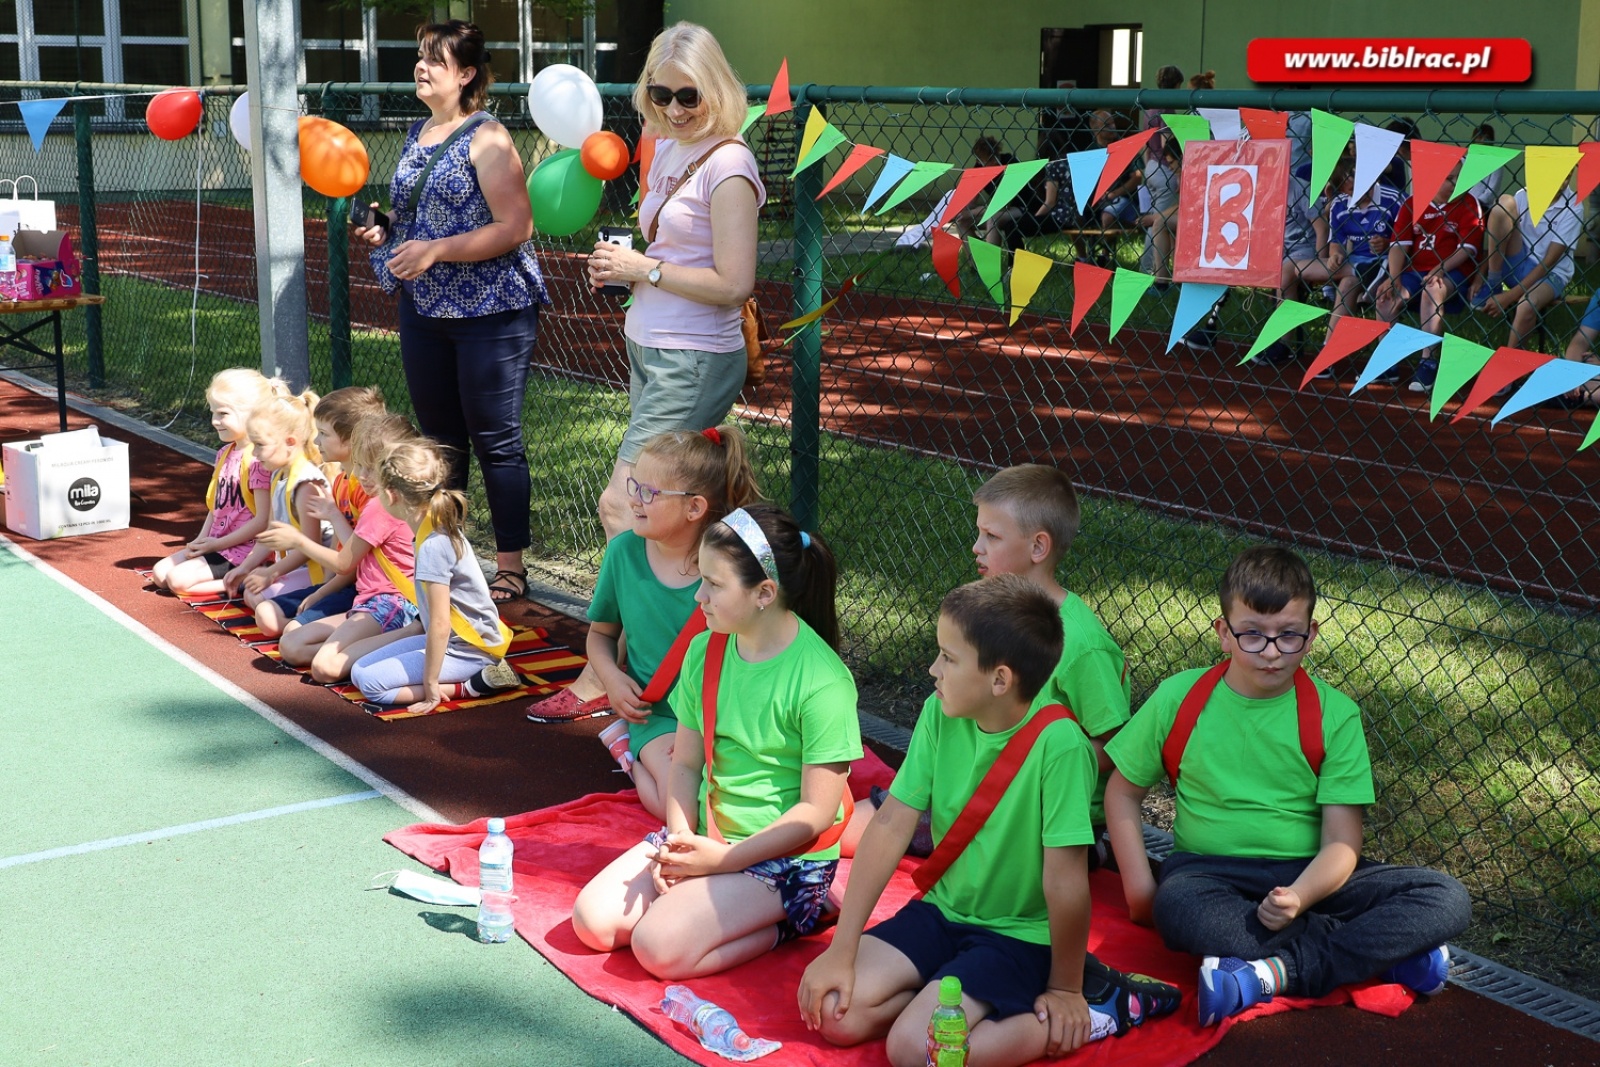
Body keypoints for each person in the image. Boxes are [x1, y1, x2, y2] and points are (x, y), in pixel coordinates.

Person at [798, 576, 1180, 1067]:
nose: (933, 668)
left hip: (1017, 936)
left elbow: (1065, 880)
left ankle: (1098, 1006)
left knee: (917, 1051)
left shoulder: (1061, 746)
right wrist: (842, 948)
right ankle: (943, 998)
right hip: (942, 912)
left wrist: (1064, 988)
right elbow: (891, 823)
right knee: (833, 1012)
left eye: (948, 658)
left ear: (1000, 680)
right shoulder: (942, 712)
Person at [1102, 546, 1472, 1026]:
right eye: (1253, 634)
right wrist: (1139, 890)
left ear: (1311, 635)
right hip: (1210, 876)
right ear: (1223, 634)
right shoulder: (1180, 697)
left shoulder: (1335, 714)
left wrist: (1299, 897)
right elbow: (1122, 792)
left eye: (1289, 635)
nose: (1272, 651)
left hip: (1313, 878)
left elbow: (1341, 844)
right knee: (1177, 908)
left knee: (1445, 897)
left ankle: (1274, 973)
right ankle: (1381, 954)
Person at [570, 504, 862, 980]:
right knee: (593, 924)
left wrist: (720, 862)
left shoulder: (823, 682)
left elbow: (814, 814)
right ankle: (736, 905)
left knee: (657, 947)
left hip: (781, 859)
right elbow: (685, 764)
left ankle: (799, 915)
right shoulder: (706, 649)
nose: (698, 597)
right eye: (700, 579)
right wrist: (682, 841)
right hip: (708, 839)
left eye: (714, 585)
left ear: (765, 592)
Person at [841, 465, 1130, 865]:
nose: (976, 546)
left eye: (992, 536)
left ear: (1038, 547)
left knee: (853, 830)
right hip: (968, 787)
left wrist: (1029, 767)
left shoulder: (1083, 645)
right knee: (856, 825)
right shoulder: (988, 614)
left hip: (1037, 812)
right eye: (980, 532)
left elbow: (1115, 748)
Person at [353, 19, 546, 605]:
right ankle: (450, 559)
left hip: (491, 311)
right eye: (419, 56)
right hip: (426, 309)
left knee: (497, 441)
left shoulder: (487, 137)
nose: (421, 66)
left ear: (465, 75)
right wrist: (384, 230)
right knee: (441, 443)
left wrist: (437, 248)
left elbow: (516, 226)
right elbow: (422, 216)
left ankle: (510, 568)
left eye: (435, 59)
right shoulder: (420, 131)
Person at [529, 425, 764, 820]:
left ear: (695, 508)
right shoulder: (623, 553)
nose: (633, 499)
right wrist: (612, 679)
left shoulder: (731, 564)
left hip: (726, 712)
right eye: (634, 485)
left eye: (649, 493)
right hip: (659, 715)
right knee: (686, 806)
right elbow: (602, 635)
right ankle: (629, 753)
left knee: (741, 805)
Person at [589, 22, 766, 542]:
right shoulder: (667, 146)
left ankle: (631, 626)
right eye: (662, 94)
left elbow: (735, 284)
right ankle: (700, 611)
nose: (675, 109)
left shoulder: (730, 164)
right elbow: (667, 248)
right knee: (664, 512)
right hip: (651, 347)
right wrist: (624, 267)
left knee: (622, 506)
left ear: (716, 88)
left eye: (689, 95)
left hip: (692, 357)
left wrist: (645, 270)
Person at [349, 439, 522, 712]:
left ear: (392, 495)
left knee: (371, 684)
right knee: (358, 669)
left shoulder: (433, 544)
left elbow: (441, 623)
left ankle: (472, 685)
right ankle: (466, 677)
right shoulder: (429, 527)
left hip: (470, 649)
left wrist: (430, 686)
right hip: (449, 640)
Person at [257, 411, 422, 683]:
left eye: (370, 468)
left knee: (325, 669)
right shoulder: (377, 503)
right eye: (359, 465)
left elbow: (345, 562)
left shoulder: (381, 506)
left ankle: (411, 633)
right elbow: (357, 552)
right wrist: (334, 515)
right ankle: (363, 645)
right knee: (291, 645)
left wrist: (299, 541)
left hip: (393, 602)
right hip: (367, 600)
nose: (360, 475)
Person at [252, 386, 387, 643]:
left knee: (287, 633)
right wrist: (320, 591)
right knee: (266, 612)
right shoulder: (339, 483)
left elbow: (351, 560)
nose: (315, 442)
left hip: (369, 589)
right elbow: (340, 556)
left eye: (323, 434)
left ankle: (351, 636)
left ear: (350, 439)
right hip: (344, 583)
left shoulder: (370, 492)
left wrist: (306, 535)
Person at [150, 369, 278, 598]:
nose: (214, 421)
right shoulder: (224, 454)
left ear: (252, 414)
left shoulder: (259, 460)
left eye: (223, 413)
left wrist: (216, 546)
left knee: (177, 582)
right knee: (160, 574)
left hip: (243, 550)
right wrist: (201, 540)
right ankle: (230, 575)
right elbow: (216, 508)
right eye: (213, 413)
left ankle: (243, 579)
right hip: (218, 543)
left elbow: (262, 521)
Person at [224, 388, 330, 637]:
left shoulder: (306, 485)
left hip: (318, 571)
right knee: (251, 590)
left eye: (260, 445)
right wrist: (246, 567)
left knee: (261, 605)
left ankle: (312, 628)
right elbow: (272, 532)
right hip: (294, 565)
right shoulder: (277, 473)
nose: (255, 454)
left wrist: (272, 572)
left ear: (290, 442)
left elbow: (309, 546)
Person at [1376, 162, 1483, 392]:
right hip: (1415, 271)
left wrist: (1441, 267)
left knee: (1432, 290)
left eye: (1459, 178)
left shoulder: (1469, 204)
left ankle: (1428, 360)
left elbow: (1468, 249)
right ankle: (1387, 362)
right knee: (1385, 297)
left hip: (1453, 271)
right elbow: (1399, 244)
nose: (1456, 184)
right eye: (1450, 179)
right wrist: (1393, 278)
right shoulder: (1414, 202)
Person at [1471, 176, 1582, 350]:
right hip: (1518, 259)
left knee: (1526, 305)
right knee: (1504, 203)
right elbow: (1500, 240)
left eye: (1568, 175)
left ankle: (1511, 362)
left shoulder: (1574, 205)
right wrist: (1480, 276)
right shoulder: (1524, 195)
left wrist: (1509, 297)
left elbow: (1549, 262)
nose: (1563, 180)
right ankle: (1493, 284)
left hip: (1550, 274)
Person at [1323, 164, 1404, 327]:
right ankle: (1333, 346)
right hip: (1353, 262)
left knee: (1348, 283)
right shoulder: (1339, 205)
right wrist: (1335, 255)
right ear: (1343, 192)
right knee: (1296, 269)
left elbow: (1407, 240)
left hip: (1386, 262)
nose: (1359, 192)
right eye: (1351, 190)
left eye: (1361, 185)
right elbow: (1336, 242)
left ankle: (1330, 346)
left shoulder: (1394, 198)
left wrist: (1387, 244)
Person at [1138, 140, 1183, 289]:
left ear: (1182, 159)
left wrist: (1155, 217)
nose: (1168, 167)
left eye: (1171, 163)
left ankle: (1161, 281)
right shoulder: (1181, 176)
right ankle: (1177, 278)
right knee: (1168, 227)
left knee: (1160, 223)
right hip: (1190, 216)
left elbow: (1185, 207)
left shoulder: (1190, 175)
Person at [1463, 124, 1503, 215]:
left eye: (1487, 138)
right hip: (1461, 203)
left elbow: (1492, 190)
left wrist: (1475, 202)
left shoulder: (1495, 161)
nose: (1483, 141)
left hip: (1483, 206)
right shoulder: (1464, 159)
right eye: (1480, 137)